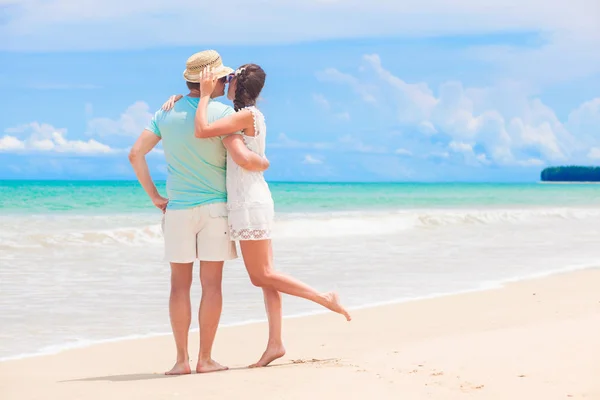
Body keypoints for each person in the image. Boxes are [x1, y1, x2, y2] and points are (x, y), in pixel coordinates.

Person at [161, 63, 351, 367]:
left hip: (248, 203)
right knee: (267, 276)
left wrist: (205, 98)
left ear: (237, 85)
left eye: (229, 78)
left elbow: (208, 134)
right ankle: (275, 343)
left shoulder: (242, 117)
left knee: (260, 275)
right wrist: (183, 99)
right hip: (250, 199)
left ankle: (324, 298)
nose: (225, 81)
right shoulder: (244, 115)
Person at [128, 50, 270, 375]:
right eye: (224, 78)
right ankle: (206, 359)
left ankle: (181, 361)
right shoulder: (224, 113)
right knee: (212, 285)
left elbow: (136, 154)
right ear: (215, 81)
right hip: (216, 209)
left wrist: (155, 197)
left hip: (177, 209)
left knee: (178, 286)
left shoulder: (165, 112)